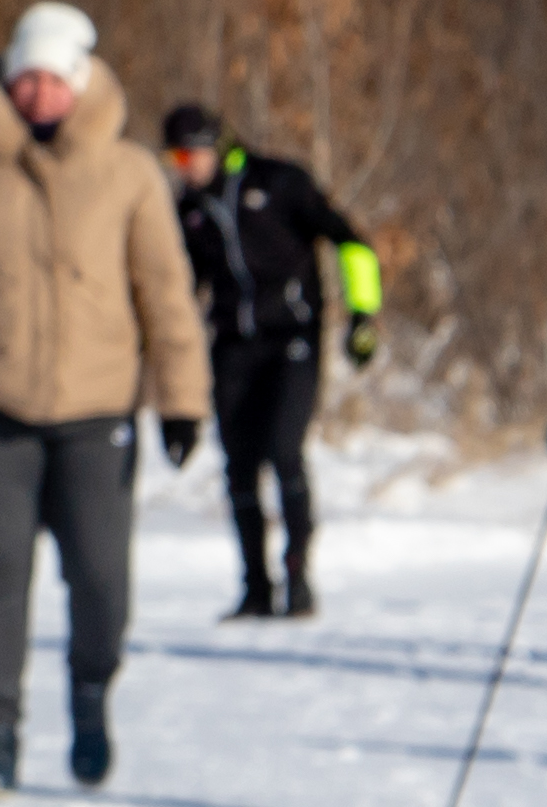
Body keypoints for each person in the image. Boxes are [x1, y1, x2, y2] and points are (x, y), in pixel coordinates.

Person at [0, 0, 204, 798]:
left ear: (82, 82)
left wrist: (182, 400)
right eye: (26, 79)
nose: (38, 95)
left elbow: (165, 290)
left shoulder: (128, 173)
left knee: (100, 581)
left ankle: (90, 694)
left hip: (98, 407)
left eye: (54, 80)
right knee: (1, 571)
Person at [153, 98, 382, 620]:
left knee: (283, 451)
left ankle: (298, 577)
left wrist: (362, 316)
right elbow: (179, 289)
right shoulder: (187, 211)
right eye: (174, 161)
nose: (184, 171)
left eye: (189, 158)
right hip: (232, 344)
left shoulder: (278, 183)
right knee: (238, 466)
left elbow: (351, 243)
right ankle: (255, 587)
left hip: (293, 339)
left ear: (216, 148)